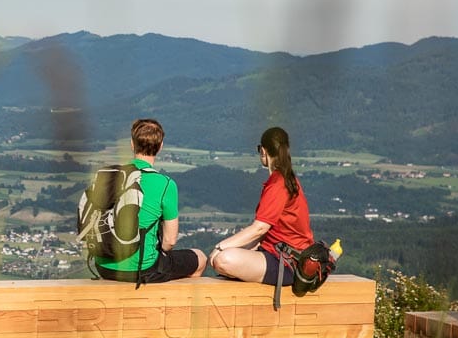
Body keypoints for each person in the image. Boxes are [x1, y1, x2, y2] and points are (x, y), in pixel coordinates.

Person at [95, 118, 207, 283]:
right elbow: (169, 241)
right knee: (200, 258)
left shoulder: (110, 177)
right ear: (160, 146)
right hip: (142, 269)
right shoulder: (165, 184)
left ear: (132, 144)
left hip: (104, 266)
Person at [208, 126, 314, 285]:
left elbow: (259, 228)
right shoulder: (287, 180)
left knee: (223, 260)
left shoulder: (278, 184)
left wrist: (221, 247)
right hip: (287, 256)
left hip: (285, 263)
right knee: (227, 257)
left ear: (263, 151)